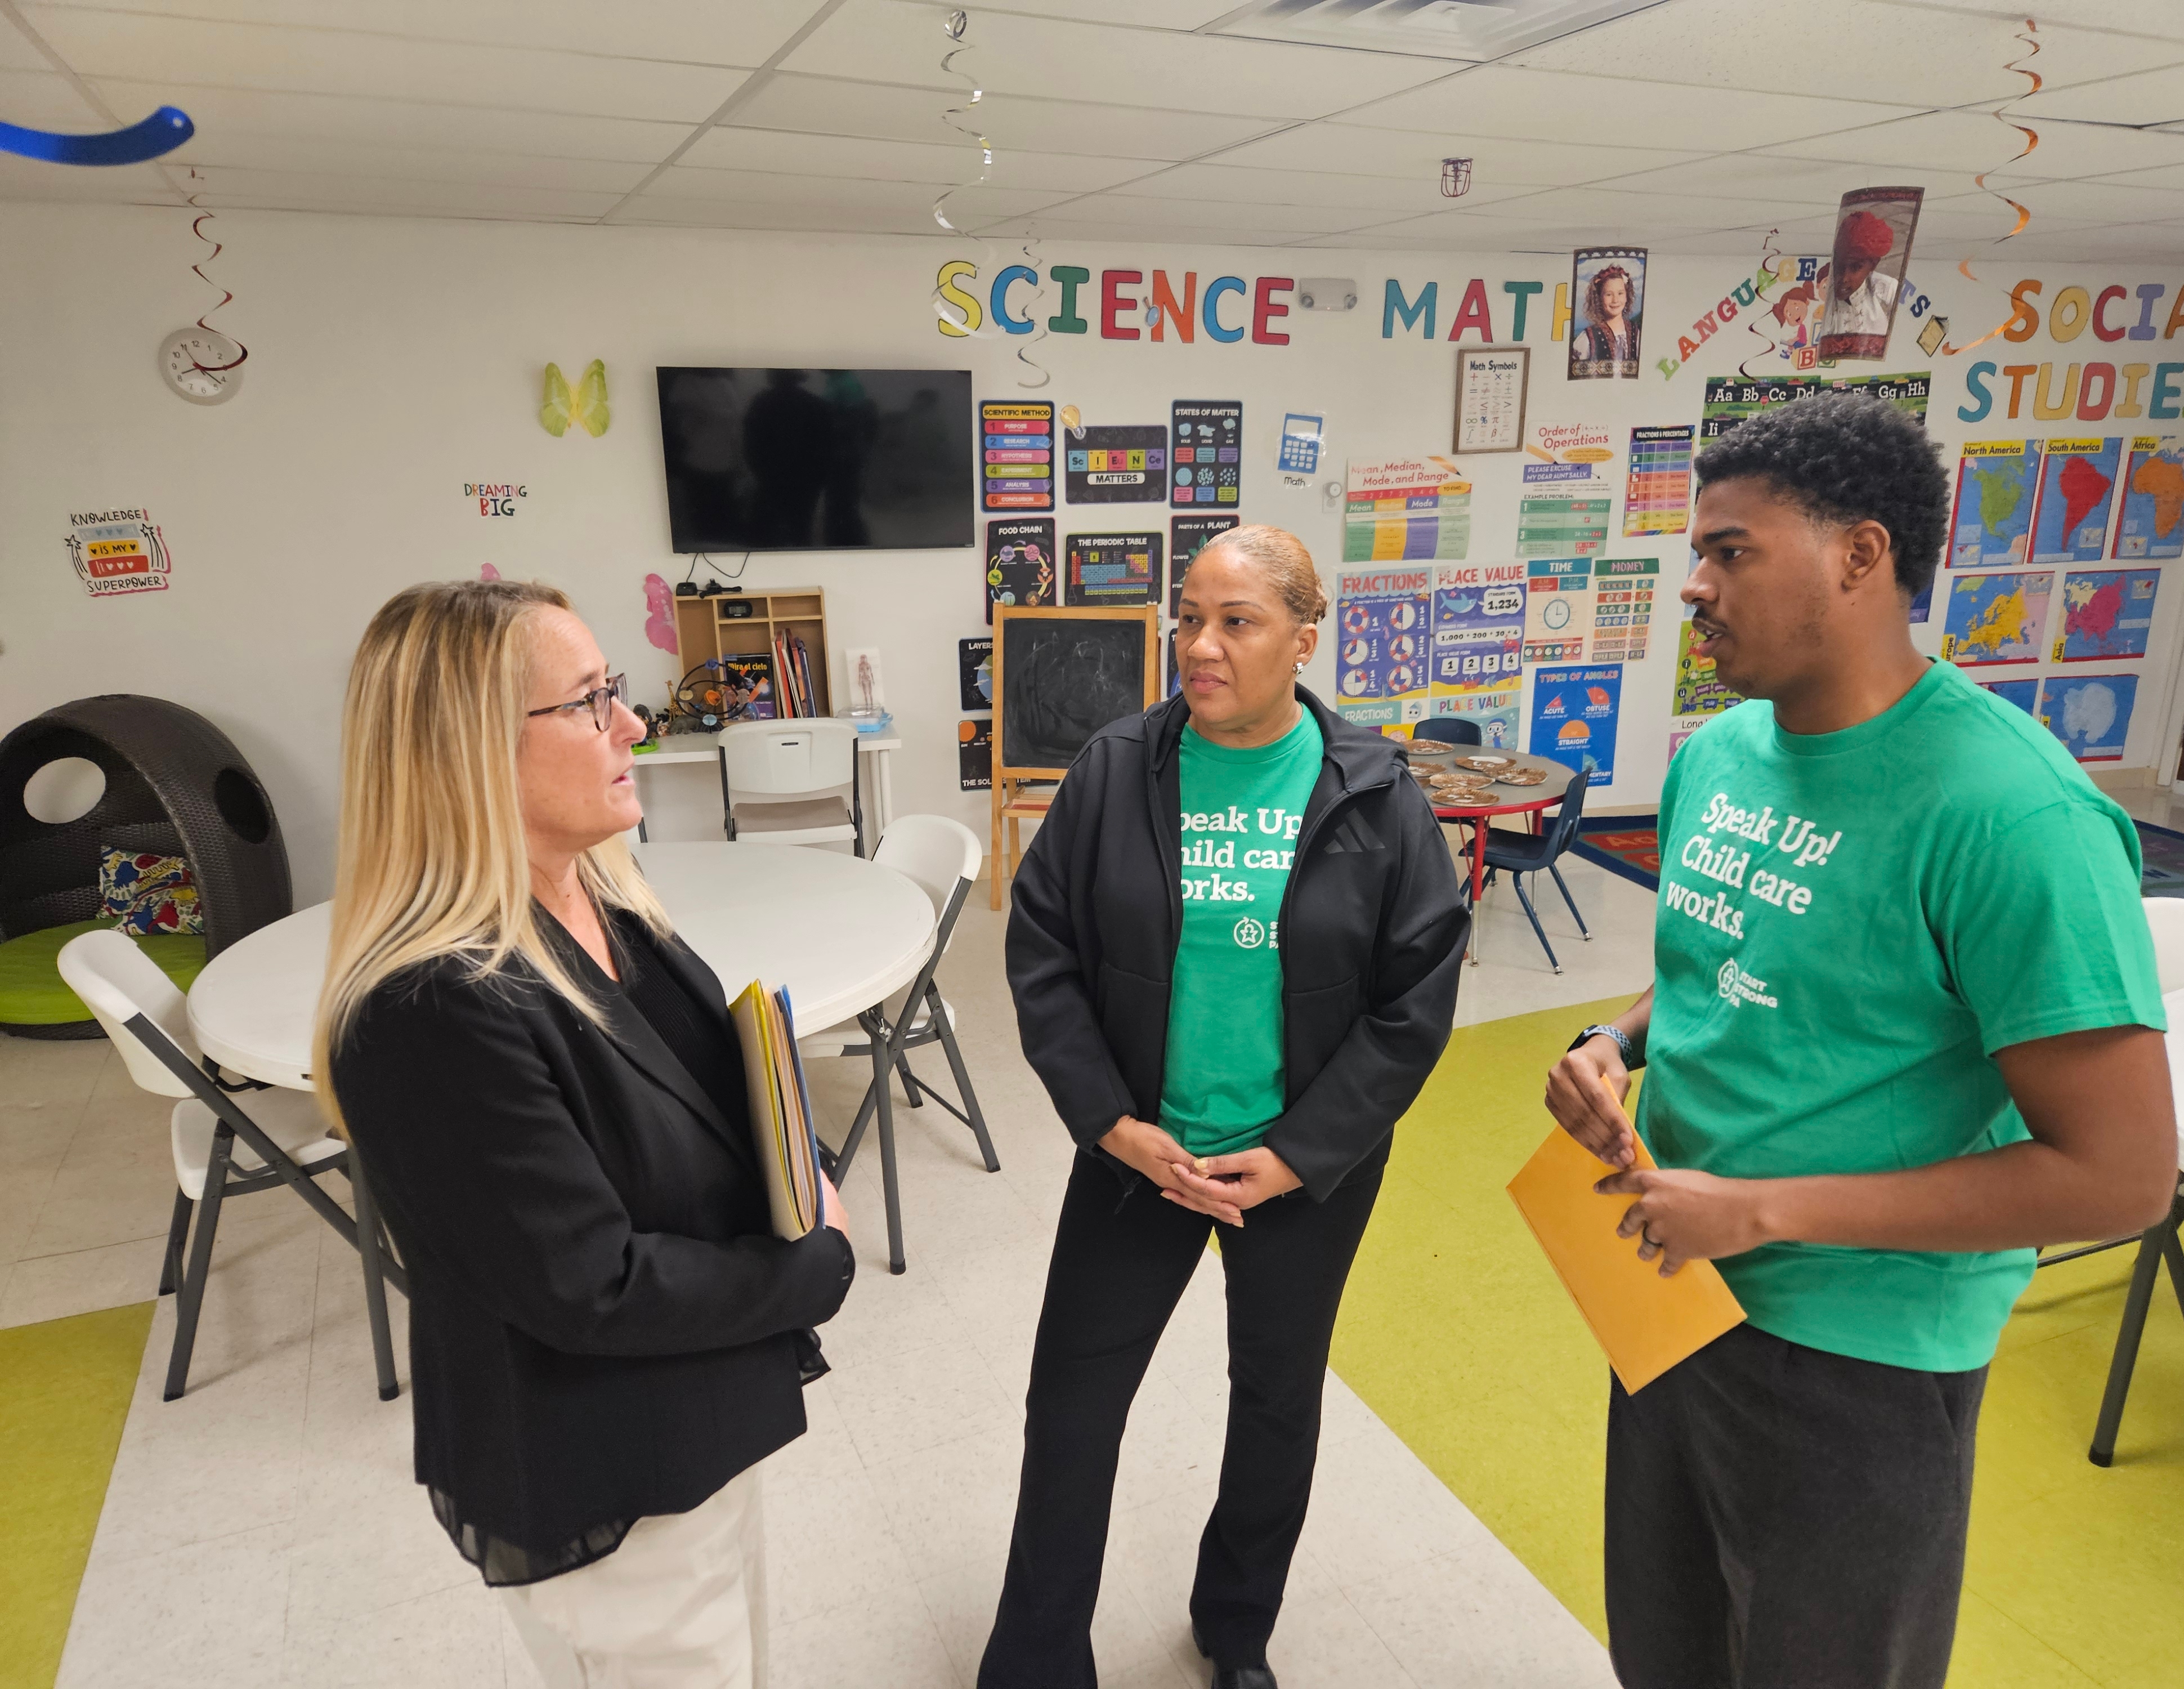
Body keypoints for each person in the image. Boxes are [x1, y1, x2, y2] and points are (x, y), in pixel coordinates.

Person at [1542, 394, 2176, 1689]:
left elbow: (2121, 1176)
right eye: (1697, 553)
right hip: (1670, 1288)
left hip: (1857, 1361)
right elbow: (1745, 959)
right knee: (1663, 1650)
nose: (1694, 586)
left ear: (1859, 555)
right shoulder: (1720, 755)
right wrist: (1616, 1042)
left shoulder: (2013, 817)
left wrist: (1760, 1210)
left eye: (1730, 551)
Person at [317, 579, 855, 1687]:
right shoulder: (429, 1010)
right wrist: (817, 1262)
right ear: (468, 750)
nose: (633, 724)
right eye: (587, 702)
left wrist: (799, 1168)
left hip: (702, 1415)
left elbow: (708, 1086)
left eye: (615, 690)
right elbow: (590, 1287)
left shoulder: (602, 898)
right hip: (610, 1479)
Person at [984, 526, 1471, 1689]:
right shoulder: (1115, 769)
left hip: (1300, 1172)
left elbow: (1414, 1000)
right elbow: (1042, 951)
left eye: (1236, 622)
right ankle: (1038, 1658)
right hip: (1138, 1156)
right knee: (1071, 1406)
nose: (1199, 646)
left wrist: (1300, 1154)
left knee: (1274, 1403)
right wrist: (1111, 1126)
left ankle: (1237, 1627)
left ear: (1303, 640)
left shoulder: (1374, 793)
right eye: (1188, 619)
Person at [1820, 208, 1903, 350]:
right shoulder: (1828, 303)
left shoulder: (1887, 289)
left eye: (1855, 268)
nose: (1844, 278)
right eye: (1839, 266)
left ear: (1873, 265)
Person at [1570, 262, 1641, 372]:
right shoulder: (1588, 337)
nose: (1615, 300)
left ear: (1627, 296)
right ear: (1600, 298)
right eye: (1609, 294)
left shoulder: (1636, 333)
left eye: (1620, 293)